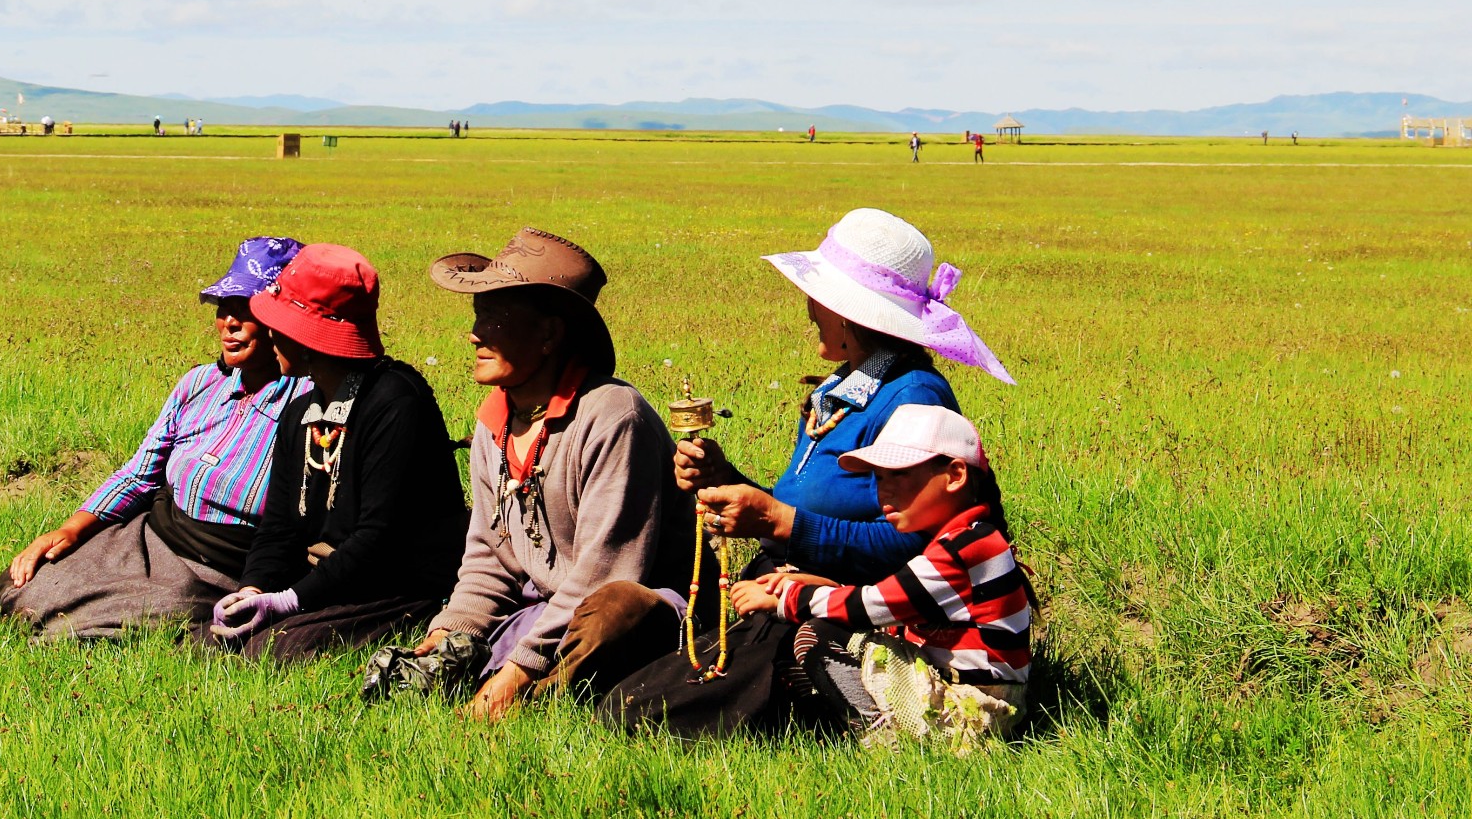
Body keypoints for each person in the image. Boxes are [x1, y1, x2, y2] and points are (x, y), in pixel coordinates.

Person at [600, 207, 1013, 737]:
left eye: (818, 296)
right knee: (628, 688)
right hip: (782, 590)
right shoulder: (843, 390)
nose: (808, 308)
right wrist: (729, 481)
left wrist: (780, 523)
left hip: (840, 615)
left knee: (636, 714)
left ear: (848, 313)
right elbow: (812, 510)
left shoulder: (912, 398)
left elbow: (928, 550)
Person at [385, 229, 693, 717]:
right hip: (546, 612)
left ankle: (539, 700)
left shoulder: (614, 416)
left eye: (496, 318)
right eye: (477, 315)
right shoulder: (494, 424)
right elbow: (490, 554)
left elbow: (604, 573)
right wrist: (451, 633)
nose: (475, 334)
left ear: (550, 335)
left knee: (613, 612)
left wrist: (513, 676)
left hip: (632, 613)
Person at [0, 237, 311, 639]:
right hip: (154, 536)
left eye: (247, 310)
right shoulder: (200, 384)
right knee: (28, 587)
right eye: (224, 308)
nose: (229, 322)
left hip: (218, 568)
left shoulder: (308, 403)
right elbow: (139, 475)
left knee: (92, 622)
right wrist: (70, 529)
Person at [205, 244, 467, 661]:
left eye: (279, 324)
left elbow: (378, 537)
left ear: (307, 338)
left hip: (397, 583)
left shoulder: (397, 402)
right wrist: (253, 588)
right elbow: (278, 526)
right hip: (330, 578)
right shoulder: (300, 413)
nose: (269, 333)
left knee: (276, 651)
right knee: (215, 638)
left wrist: (289, 601)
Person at [727, 403, 1030, 749]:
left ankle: (885, 744)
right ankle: (834, 726)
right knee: (812, 644)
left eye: (899, 474)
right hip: (967, 703)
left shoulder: (965, 547)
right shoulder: (963, 539)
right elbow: (895, 610)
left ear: (955, 475)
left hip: (972, 715)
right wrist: (829, 588)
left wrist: (788, 600)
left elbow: (874, 607)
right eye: (879, 477)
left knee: (819, 635)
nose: (883, 490)